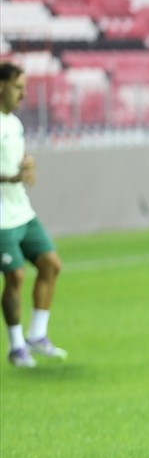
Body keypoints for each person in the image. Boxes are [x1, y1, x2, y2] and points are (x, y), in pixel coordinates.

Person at [0, 61, 67, 368]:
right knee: (15, 276)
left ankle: (37, 335)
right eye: (18, 87)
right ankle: (16, 347)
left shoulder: (13, 123)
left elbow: (15, 163)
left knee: (51, 264)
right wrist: (10, 178)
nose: (24, 94)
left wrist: (26, 167)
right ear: (1, 87)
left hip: (21, 210)